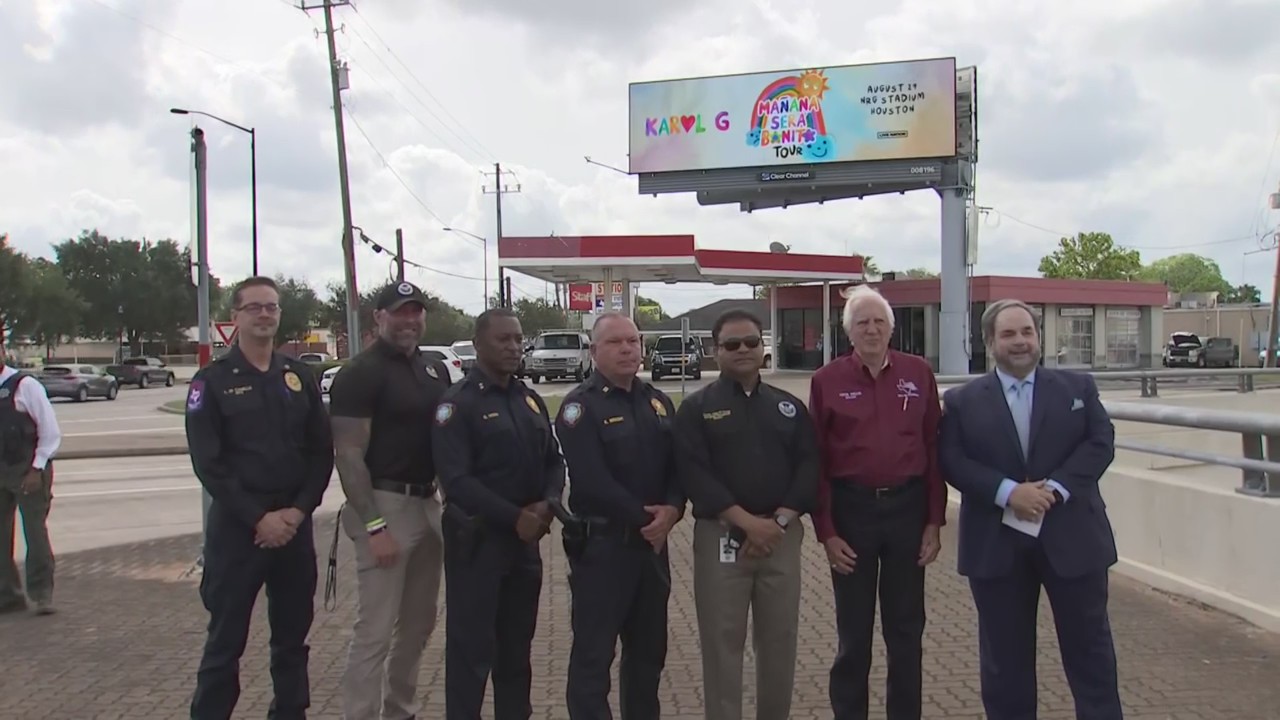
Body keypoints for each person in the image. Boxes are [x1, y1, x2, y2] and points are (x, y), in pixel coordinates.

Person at [938, 298, 1122, 720]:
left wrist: (1053, 490)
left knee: (1091, 657)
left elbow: (1100, 443)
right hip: (996, 548)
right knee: (1005, 665)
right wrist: (1007, 492)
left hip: (1073, 543)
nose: (1020, 342)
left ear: (1038, 337)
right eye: (1008, 334)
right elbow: (952, 460)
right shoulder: (963, 401)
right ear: (989, 342)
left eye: (1027, 332)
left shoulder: (1079, 389)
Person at [185, 276, 335, 720]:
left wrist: (296, 511)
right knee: (225, 642)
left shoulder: (298, 376)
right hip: (238, 532)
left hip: (293, 529)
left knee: (292, 642)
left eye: (271, 307)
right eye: (254, 307)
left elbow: (319, 452)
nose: (265, 314)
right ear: (235, 317)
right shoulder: (211, 382)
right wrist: (258, 518)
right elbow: (209, 464)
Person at [808, 285, 947, 720]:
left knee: (906, 632)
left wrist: (934, 522)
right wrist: (827, 532)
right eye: (862, 322)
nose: (872, 329)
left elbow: (934, 448)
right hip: (852, 514)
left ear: (891, 328)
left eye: (879, 322)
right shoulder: (826, 381)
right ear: (849, 332)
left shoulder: (918, 373)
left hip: (907, 512)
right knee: (854, 634)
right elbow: (817, 461)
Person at [673, 308, 820, 720]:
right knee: (722, 644)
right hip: (721, 537)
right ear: (715, 351)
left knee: (779, 640)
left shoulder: (789, 408)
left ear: (763, 348)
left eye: (751, 343)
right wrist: (746, 521)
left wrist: (777, 523)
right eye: (732, 344)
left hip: (781, 538)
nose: (743, 350)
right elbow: (693, 473)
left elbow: (809, 466)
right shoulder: (697, 409)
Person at [432, 307, 565, 720]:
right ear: (478, 345)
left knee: (515, 652)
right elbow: (457, 481)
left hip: (524, 546)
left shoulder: (527, 398)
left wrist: (547, 504)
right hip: (477, 544)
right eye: (503, 339)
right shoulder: (457, 405)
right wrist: (515, 517)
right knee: (471, 653)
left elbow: (554, 461)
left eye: (518, 338)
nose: (513, 346)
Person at [329, 281, 452, 720]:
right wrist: (374, 526)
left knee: (419, 626)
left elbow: (443, 441)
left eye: (416, 312)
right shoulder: (360, 373)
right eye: (400, 312)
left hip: (427, 504)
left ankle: (401, 710)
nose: (410, 320)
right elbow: (348, 454)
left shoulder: (434, 370)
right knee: (375, 630)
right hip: (384, 505)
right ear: (379, 318)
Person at [554, 312, 682, 719]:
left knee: (648, 658)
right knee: (594, 659)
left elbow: (679, 468)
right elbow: (591, 480)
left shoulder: (658, 402)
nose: (628, 348)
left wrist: (675, 510)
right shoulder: (579, 408)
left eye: (633, 341)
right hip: (604, 550)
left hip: (651, 551)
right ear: (593, 352)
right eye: (615, 342)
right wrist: (649, 519)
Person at [0, 353, 62, 616]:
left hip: (30, 469)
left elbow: (50, 431)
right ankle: (8, 596)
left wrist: (37, 467)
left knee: (34, 533)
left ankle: (41, 594)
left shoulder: (25, 385)